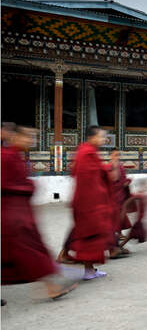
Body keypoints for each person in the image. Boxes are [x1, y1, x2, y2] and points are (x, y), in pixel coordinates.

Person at [2, 126, 78, 301]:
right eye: (28, 136)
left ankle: (52, 286)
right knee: (29, 250)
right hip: (10, 214)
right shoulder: (6, 157)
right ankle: (52, 286)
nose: (31, 140)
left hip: (19, 211)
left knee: (31, 249)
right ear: (15, 137)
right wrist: (29, 186)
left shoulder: (15, 156)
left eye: (33, 137)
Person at [63, 125, 113, 280]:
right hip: (88, 203)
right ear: (92, 137)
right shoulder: (87, 153)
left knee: (91, 238)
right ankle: (88, 270)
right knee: (90, 238)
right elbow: (88, 180)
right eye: (101, 136)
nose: (104, 139)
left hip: (89, 202)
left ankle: (90, 270)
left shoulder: (87, 151)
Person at [108, 148, 132, 250]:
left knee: (121, 213)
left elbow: (123, 178)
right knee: (115, 215)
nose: (117, 157)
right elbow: (110, 180)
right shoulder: (109, 167)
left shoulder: (120, 166)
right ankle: (115, 236)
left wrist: (127, 181)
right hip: (113, 194)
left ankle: (119, 233)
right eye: (115, 155)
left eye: (118, 155)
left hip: (121, 193)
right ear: (110, 156)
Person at [119, 179, 147, 248]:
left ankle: (119, 246)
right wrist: (123, 211)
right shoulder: (138, 195)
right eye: (145, 185)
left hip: (141, 220)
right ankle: (119, 247)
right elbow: (127, 202)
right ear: (142, 186)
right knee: (130, 236)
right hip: (139, 221)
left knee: (133, 236)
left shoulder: (143, 194)